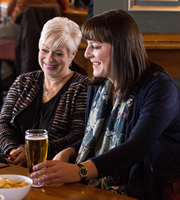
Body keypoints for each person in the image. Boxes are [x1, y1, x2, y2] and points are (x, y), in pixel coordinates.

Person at [29, 9, 180, 200]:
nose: (87, 53)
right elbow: (93, 136)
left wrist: (79, 171)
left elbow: (137, 147)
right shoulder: (99, 85)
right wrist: (68, 152)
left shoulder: (159, 88)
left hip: (145, 190)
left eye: (95, 46)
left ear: (121, 48)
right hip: (97, 187)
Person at [0, 16, 90, 166]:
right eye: (45, 50)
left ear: (72, 54)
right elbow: (3, 123)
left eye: (58, 53)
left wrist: (31, 151)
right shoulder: (23, 81)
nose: (49, 59)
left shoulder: (83, 87)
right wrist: (13, 150)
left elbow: (78, 136)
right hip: (12, 162)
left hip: (54, 168)